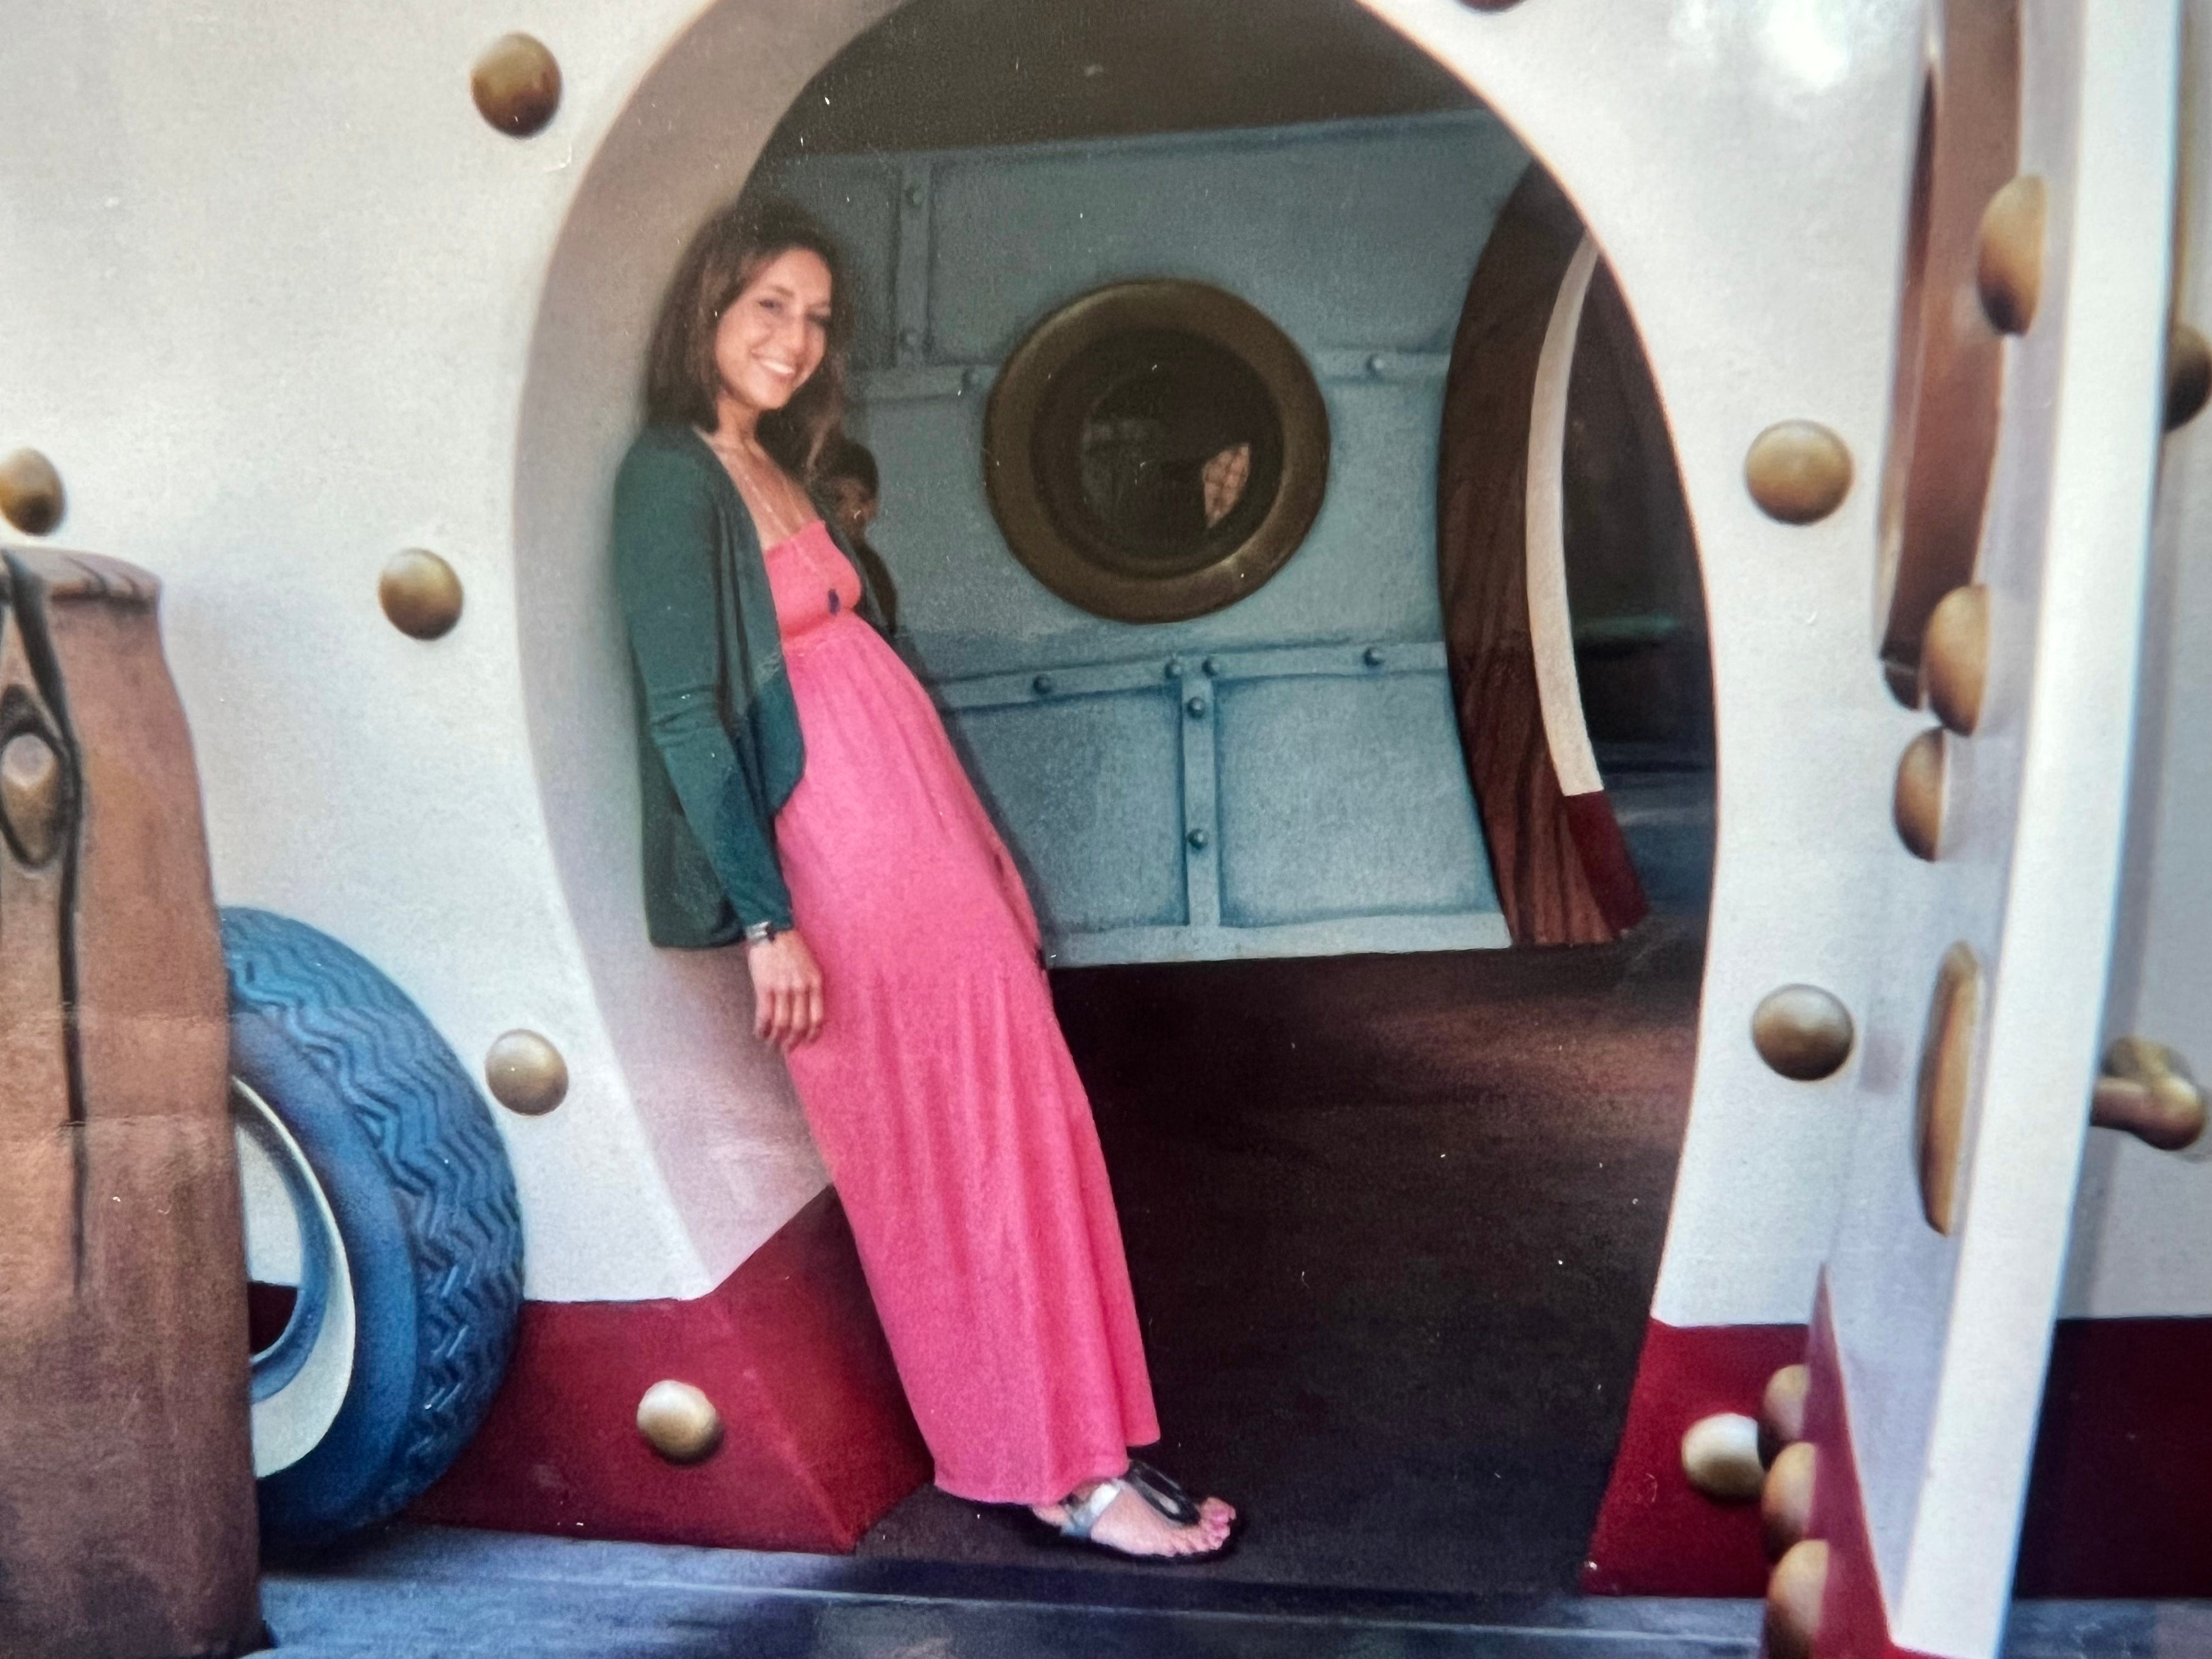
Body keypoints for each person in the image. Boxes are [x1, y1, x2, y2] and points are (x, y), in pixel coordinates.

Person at [612, 194, 1236, 1562]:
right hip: (834, 854)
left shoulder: (775, 458)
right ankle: (1052, 1472)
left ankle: (1089, 1436)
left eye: (816, 317)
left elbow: (863, 670)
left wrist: (986, 853)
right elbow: (684, 717)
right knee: (951, 1155)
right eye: (768, 306)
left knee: (1026, 1120)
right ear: (708, 308)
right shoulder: (670, 478)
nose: (794, 339)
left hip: (918, 834)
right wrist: (767, 917)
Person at [811, 434, 899, 637]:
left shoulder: (873, 574)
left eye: (861, 499)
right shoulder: (809, 564)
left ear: (873, 507)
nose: (852, 511)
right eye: (837, 499)